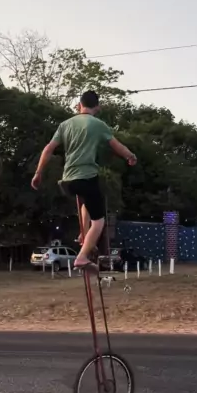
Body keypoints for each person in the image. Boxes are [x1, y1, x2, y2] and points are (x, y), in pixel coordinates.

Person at [31, 90, 137, 271]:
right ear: (98, 107)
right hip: (86, 177)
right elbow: (116, 145)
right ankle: (81, 257)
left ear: (79, 105)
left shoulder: (65, 124)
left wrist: (38, 173)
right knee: (99, 221)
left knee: (86, 202)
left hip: (67, 181)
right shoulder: (98, 125)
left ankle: (84, 234)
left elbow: (48, 149)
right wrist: (130, 156)